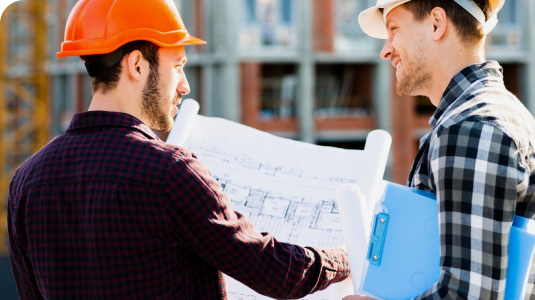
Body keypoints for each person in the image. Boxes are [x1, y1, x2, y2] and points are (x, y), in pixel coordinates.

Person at [7, 0, 350, 299]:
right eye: (178, 65)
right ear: (137, 65)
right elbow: (275, 273)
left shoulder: (26, 180)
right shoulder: (169, 173)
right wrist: (344, 257)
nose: (184, 85)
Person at [345, 0, 535, 299]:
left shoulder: (471, 128)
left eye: (394, 29)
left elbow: (468, 295)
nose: (386, 50)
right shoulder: (505, 114)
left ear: (436, 23)